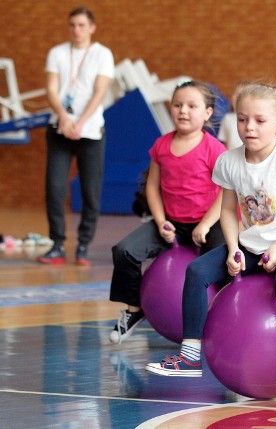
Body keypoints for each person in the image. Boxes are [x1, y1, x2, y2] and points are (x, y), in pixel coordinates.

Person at [146, 83, 276, 393]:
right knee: (197, 271)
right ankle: (189, 358)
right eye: (242, 119)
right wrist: (231, 249)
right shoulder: (229, 161)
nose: (249, 127)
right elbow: (228, 210)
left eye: (259, 120)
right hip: (252, 242)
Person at [108, 81, 226, 344]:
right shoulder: (161, 145)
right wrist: (161, 222)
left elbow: (226, 192)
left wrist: (205, 226)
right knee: (124, 251)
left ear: (207, 113)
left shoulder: (214, 149)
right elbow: (152, 186)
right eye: (177, 105)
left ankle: (222, 319)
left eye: (191, 106)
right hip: (171, 223)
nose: (183, 111)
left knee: (222, 263)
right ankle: (134, 309)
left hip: (206, 224)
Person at [38, 7, 115, 266]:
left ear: (92, 27)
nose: (76, 30)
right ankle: (57, 244)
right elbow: (51, 88)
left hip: (90, 132)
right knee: (55, 188)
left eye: (82, 25)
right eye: (72, 25)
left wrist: (80, 122)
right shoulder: (57, 53)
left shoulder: (102, 54)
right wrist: (63, 115)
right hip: (60, 128)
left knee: (90, 191)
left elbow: (99, 92)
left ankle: (83, 245)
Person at [218, 81, 247, 150]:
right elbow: (223, 142)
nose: (238, 98)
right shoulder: (227, 118)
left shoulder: (253, 120)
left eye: (242, 95)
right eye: (236, 95)